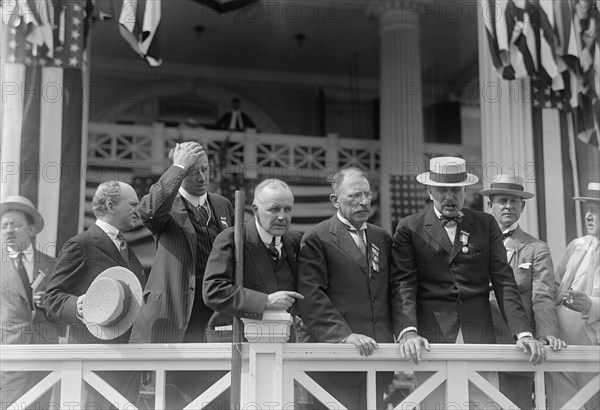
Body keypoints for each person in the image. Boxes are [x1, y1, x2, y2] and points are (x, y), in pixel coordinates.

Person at [391, 157, 546, 410]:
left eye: (456, 190)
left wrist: (523, 332)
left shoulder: (485, 224)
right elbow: (403, 283)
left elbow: (504, 280)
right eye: (442, 190)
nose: (449, 197)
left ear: (466, 191)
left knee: (486, 405)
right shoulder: (410, 227)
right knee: (435, 405)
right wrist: (408, 330)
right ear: (430, 191)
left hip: (479, 335)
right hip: (432, 338)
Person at [130, 141, 234, 407]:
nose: (201, 177)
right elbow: (147, 211)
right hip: (174, 314)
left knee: (216, 394)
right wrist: (179, 165)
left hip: (214, 314)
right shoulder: (166, 207)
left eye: (205, 170)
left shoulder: (222, 205)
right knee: (171, 396)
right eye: (192, 171)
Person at [297, 167, 396, 410]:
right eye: (354, 195)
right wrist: (345, 335)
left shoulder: (382, 237)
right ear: (335, 200)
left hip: (378, 358)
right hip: (336, 362)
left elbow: (393, 290)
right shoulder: (317, 238)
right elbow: (311, 296)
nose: (363, 202)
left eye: (367, 195)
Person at [43, 181, 146, 407]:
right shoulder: (81, 244)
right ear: (110, 206)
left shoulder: (125, 248)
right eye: (132, 204)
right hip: (93, 363)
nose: (138, 210)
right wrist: (79, 305)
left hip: (128, 363)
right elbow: (52, 297)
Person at [481, 175, 566, 410]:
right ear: (491, 205)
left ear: (523, 206)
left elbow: (542, 295)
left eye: (514, 201)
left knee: (515, 405)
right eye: (502, 200)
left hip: (517, 343)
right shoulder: (475, 243)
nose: (508, 205)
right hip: (478, 339)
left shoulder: (536, 248)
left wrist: (547, 331)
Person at [203, 178, 303, 336]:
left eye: (287, 209)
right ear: (256, 210)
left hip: (281, 337)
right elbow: (213, 291)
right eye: (274, 209)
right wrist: (266, 301)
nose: (282, 217)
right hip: (235, 338)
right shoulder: (231, 239)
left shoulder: (295, 242)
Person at [1, 196, 58, 409]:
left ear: (32, 230)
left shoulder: (52, 264)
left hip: (45, 353)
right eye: (4, 225)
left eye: (16, 225)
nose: (9, 230)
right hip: (8, 357)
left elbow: (63, 308)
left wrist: (50, 305)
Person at [547, 182, 600, 410]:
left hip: (593, 349)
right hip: (562, 348)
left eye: (596, 210)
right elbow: (554, 289)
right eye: (588, 209)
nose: (589, 216)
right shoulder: (577, 246)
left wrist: (591, 305)